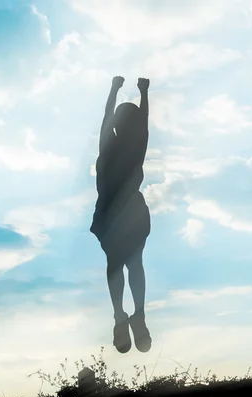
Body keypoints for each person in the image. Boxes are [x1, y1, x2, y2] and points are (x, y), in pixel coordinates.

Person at [90, 75, 152, 354]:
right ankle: (129, 315)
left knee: (122, 264)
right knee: (129, 264)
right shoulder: (121, 144)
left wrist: (120, 90)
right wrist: (139, 93)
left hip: (119, 212)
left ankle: (127, 316)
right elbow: (137, 121)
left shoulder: (120, 144)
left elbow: (139, 121)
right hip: (119, 211)